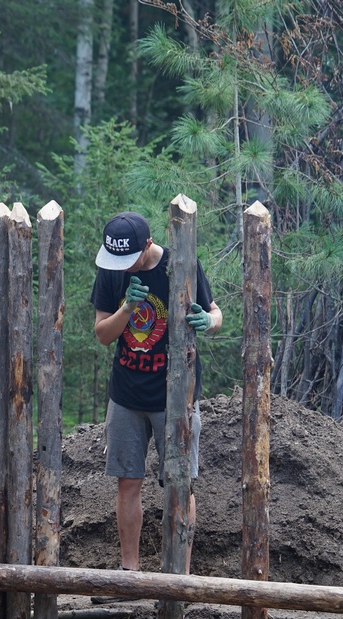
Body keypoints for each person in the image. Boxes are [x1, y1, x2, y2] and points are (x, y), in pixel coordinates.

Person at [89, 211, 222, 590]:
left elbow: (216, 314)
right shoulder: (112, 270)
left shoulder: (180, 263)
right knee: (127, 482)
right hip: (127, 394)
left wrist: (207, 323)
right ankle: (129, 571)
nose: (120, 265)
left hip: (175, 397)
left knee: (179, 484)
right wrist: (127, 309)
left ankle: (180, 572)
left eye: (128, 257)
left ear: (147, 246)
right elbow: (102, 334)